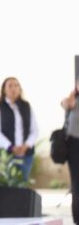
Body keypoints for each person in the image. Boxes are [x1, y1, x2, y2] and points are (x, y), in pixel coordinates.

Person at [0, 77, 39, 181]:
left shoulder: (26, 106)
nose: (14, 88)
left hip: (26, 154)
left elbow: (34, 130)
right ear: (4, 90)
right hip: (6, 155)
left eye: (16, 85)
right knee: (6, 184)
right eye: (10, 86)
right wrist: (11, 147)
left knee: (23, 184)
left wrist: (26, 145)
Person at [61, 82, 79, 224]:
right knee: (76, 182)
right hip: (74, 144)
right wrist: (73, 94)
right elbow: (67, 104)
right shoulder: (70, 100)